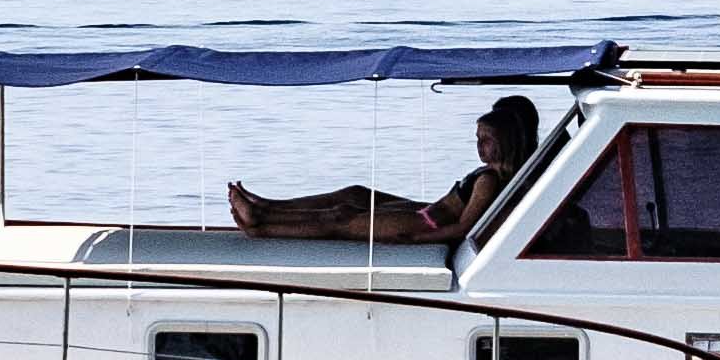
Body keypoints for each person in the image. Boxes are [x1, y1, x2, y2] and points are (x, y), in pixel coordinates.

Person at [228, 96, 542, 246]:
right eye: (478, 139)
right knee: (355, 196)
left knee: (341, 218)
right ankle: (268, 207)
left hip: (426, 222)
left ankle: (263, 224)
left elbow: (464, 228)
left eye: (486, 140)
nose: (479, 147)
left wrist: (417, 238)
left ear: (506, 140)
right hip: (429, 210)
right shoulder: (495, 174)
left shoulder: (489, 180)